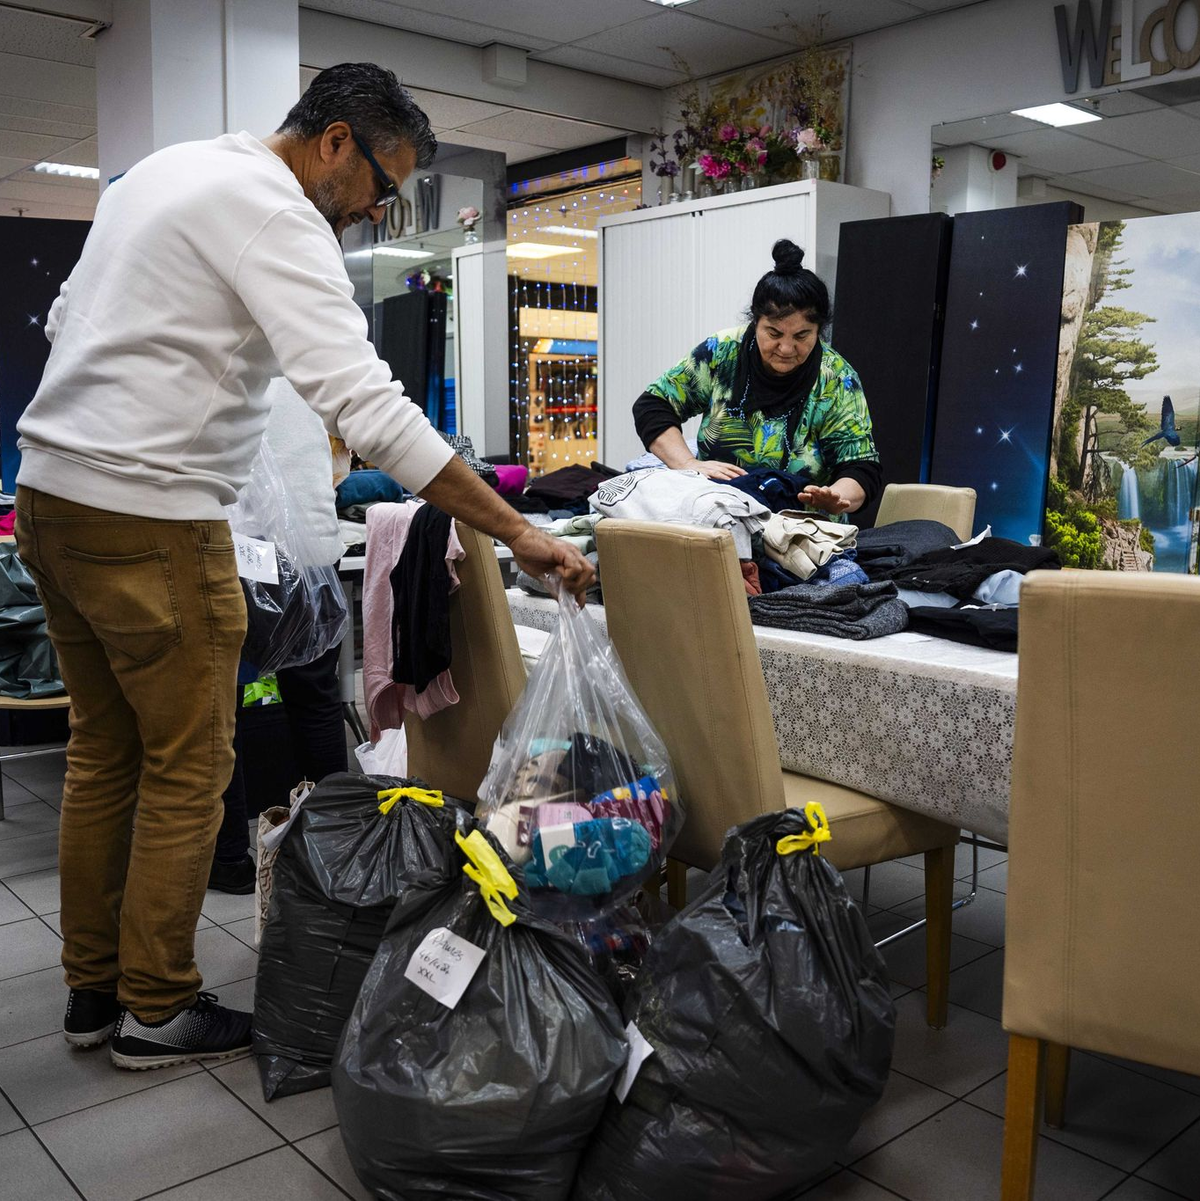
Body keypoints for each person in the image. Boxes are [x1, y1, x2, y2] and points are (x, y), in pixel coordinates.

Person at [13, 62, 593, 1072]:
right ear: (333, 141)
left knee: (105, 753)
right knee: (193, 767)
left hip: (51, 500)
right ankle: (156, 1004)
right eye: (379, 185)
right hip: (152, 516)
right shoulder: (279, 214)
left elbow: (69, 319)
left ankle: (93, 992)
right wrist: (518, 529)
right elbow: (366, 407)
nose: (375, 211)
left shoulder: (165, 172)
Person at [208, 377, 349, 895]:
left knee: (222, 713)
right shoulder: (309, 362)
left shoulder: (214, 355)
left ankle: (229, 859)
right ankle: (334, 840)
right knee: (316, 702)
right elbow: (338, 468)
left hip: (234, 556)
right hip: (311, 552)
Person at [631, 239, 880, 516]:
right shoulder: (722, 352)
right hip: (717, 519)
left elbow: (861, 466)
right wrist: (688, 465)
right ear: (755, 321)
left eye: (802, 336)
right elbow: (654, 405)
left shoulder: (836, 378)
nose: (786, 349)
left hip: (801, 531)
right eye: (773, 333)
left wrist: (836, 496)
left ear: (819, 329)